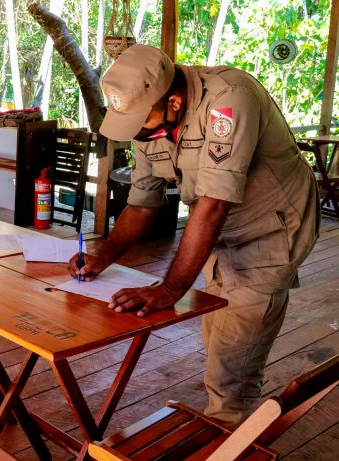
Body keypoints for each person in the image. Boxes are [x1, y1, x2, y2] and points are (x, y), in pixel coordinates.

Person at [69, 44, 319, 427]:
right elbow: (141, 203)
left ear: (173, 101)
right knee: (217, 333)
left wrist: (169, 289)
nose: (139, 131)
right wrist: (102, 256)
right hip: (220, 232)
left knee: (234, 359)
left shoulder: (229, 99)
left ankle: (232, 431)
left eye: (143, 122)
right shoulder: (147, 118)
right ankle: (224, 416)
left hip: (270, 229)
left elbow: (214, 204)